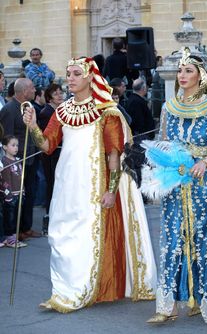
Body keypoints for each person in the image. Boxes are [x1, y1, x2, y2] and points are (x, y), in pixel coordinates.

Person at [23, 57, 156, 313]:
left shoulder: (107, 111)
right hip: (66, 183)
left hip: (93, 184)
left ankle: (79, 290)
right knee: (63, 232)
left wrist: (111, 190)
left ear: (88, 78)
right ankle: (64, 289)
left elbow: (114, 154)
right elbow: (48, 146)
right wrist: (32, 127)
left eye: (75, 74)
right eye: (68, 73)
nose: (69, 78)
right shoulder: (62, 110)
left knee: (86, 233)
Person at [145, 47, 207, 325]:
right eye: (180, 71)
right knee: (172, 238)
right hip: (175, 179)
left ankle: (202, 301)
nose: (182, 75)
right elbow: (162, 142)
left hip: (204, 181)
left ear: (201, 76)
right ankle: (168, 305)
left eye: (188, 71)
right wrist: (160, 174)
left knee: (203, 239)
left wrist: (205, 162)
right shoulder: (168, 107)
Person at [0, 78, 41, 240]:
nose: (34, 90)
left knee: (29, 193)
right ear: (24, 91)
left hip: (30, 158)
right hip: (17, 161)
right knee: (16, 197)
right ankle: (15, 231)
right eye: (32, 88)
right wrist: (11, 161)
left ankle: (26, 227)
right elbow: (6, 137)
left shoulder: (29, 107)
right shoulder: (9, 110)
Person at [38, 83, 64, 235]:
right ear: (49, 97)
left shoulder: (60, 110)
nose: (60, 96)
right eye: (56, 94)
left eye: (61, 92)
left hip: (60, 153)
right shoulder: (46, 112)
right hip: (50, 155)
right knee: (52, 185)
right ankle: (48, 218)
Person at [0, 135, 27, 248]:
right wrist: (8, 195)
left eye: (17, 145)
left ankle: (14, 237)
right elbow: (4, 181)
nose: (16, 148)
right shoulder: (4, 162)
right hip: (9, 196)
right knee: (9, 217)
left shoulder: (18, 160)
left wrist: (23, 190)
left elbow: (21, 177)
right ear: (5, 147)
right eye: (13, 145)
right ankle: (9, 238)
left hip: (19, 193)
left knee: (17, 216)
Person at [125, 78, 155, 143]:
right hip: (141, 136)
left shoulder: (133, 99)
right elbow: (138, 121)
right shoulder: (136, 101)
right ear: (143, 88)